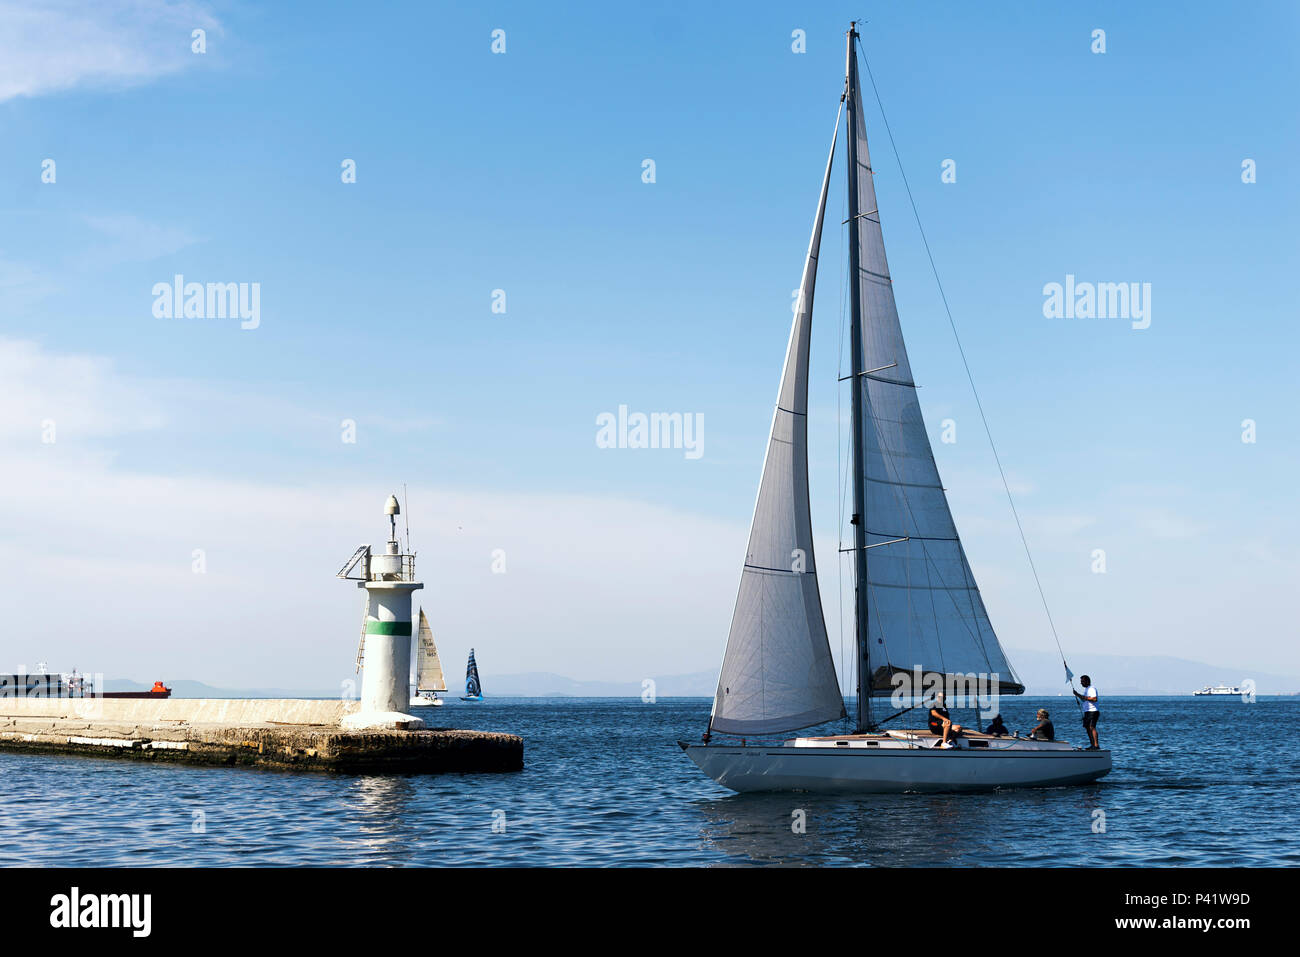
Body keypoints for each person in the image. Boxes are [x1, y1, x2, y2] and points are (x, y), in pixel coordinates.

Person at [1072, 674, 1101, 749]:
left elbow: (1094, 699)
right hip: (1087, 712)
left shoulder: (1092, 688)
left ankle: (1096, 745)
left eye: (1082, 681)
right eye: (1081, 681)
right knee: (1087, 728)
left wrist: (1083, 697)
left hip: (1093, 711)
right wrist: (1077, 695)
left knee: (1092, 727)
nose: (1081, 683)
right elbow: (1084, 699)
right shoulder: (1086, 689)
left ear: (1087, 681)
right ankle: (1092, 745)